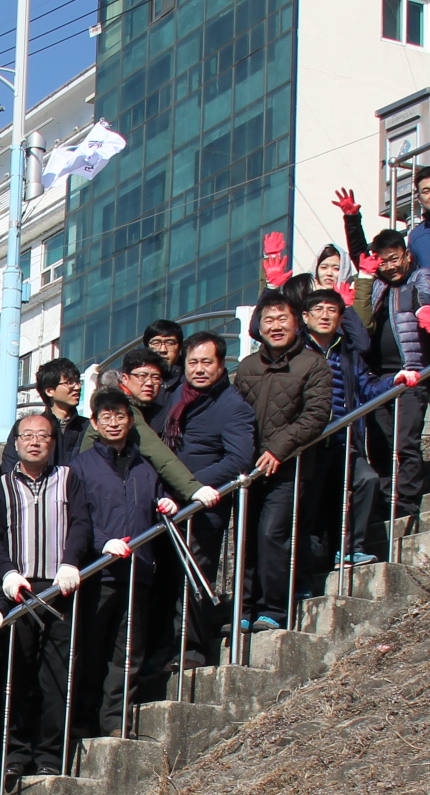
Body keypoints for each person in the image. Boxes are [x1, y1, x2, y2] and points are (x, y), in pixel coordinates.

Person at [68, 379, 214, 731]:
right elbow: (75, 517)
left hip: (138, 570)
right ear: (95, 422)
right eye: (107, 417)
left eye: (120, 415)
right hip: (98, 573)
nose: (114, 423)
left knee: (127, 653)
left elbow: (157, 497)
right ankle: (84, 724)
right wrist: (101, 543)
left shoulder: (144, 466)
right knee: (91, 651)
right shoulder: (80, 466)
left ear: (130, 420)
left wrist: (165, 502)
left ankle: (116, 723)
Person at [0, 411, 92, 780]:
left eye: (43, 435)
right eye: (27, 435)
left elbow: (81, 524)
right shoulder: (2, 487)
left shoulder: (69, 478)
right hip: (18, 590)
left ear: (53, 442)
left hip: (60, 586)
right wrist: (7, 572)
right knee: (17, 676)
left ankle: (50, 755)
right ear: (16, 443)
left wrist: (71, 562)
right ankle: (15, 753)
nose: (35, 441)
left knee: (56, 677)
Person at [143, 337, 257, 680]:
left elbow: (239, 459)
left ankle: (192, 648)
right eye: (193, 362)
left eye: (207, 362)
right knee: (165, 579)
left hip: (201, 509)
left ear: (221, 365)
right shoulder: (175, 396)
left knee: (192, 577)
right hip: (166, 506)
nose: (199, 369)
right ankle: (162, 647)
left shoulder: (232, 406)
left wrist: (188, 486)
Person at [230, 294, 333, 632]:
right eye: (268, 320)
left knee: (272, 533)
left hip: (289, 466)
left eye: (282, 318)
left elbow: (316, 415)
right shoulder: (247, 367)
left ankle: (273, 608)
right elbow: (236, 417)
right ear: (258, 326)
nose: (276, 326)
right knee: (245, 537)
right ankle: (243, 609)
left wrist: (278, 448)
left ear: (297, 322)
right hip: (249, 467)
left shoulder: (312, 364)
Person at [358, 226, 430, 529]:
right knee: (379, 444)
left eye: (395, 259)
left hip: (410, 373)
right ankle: (383, 502)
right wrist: (353, 220)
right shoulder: (376, 287)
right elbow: (361, 257)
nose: (391, 266)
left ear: (407, 255)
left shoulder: (419, 277)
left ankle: (407, 501)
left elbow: (426, 295)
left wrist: (424, 310)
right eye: (384, 261)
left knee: (406, 440)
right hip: (376, 379)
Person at [300, 288, 384, 566]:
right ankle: (305, 570)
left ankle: (350, 548)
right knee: (309, 505)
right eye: (319, 310)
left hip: (343, 437)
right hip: (308, 442)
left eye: (332, 310)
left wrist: (394, 381)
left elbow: (367, 387)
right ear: (305, 316)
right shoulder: (295, 350)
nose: (325, 316)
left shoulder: (347, 353)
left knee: (366, 479)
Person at [3, 357, 88, 466]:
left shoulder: (88, 427)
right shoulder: (24, 428)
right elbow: (9, 468)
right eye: (70, 382)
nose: (77, 387)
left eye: (78, 381)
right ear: (49, 391)